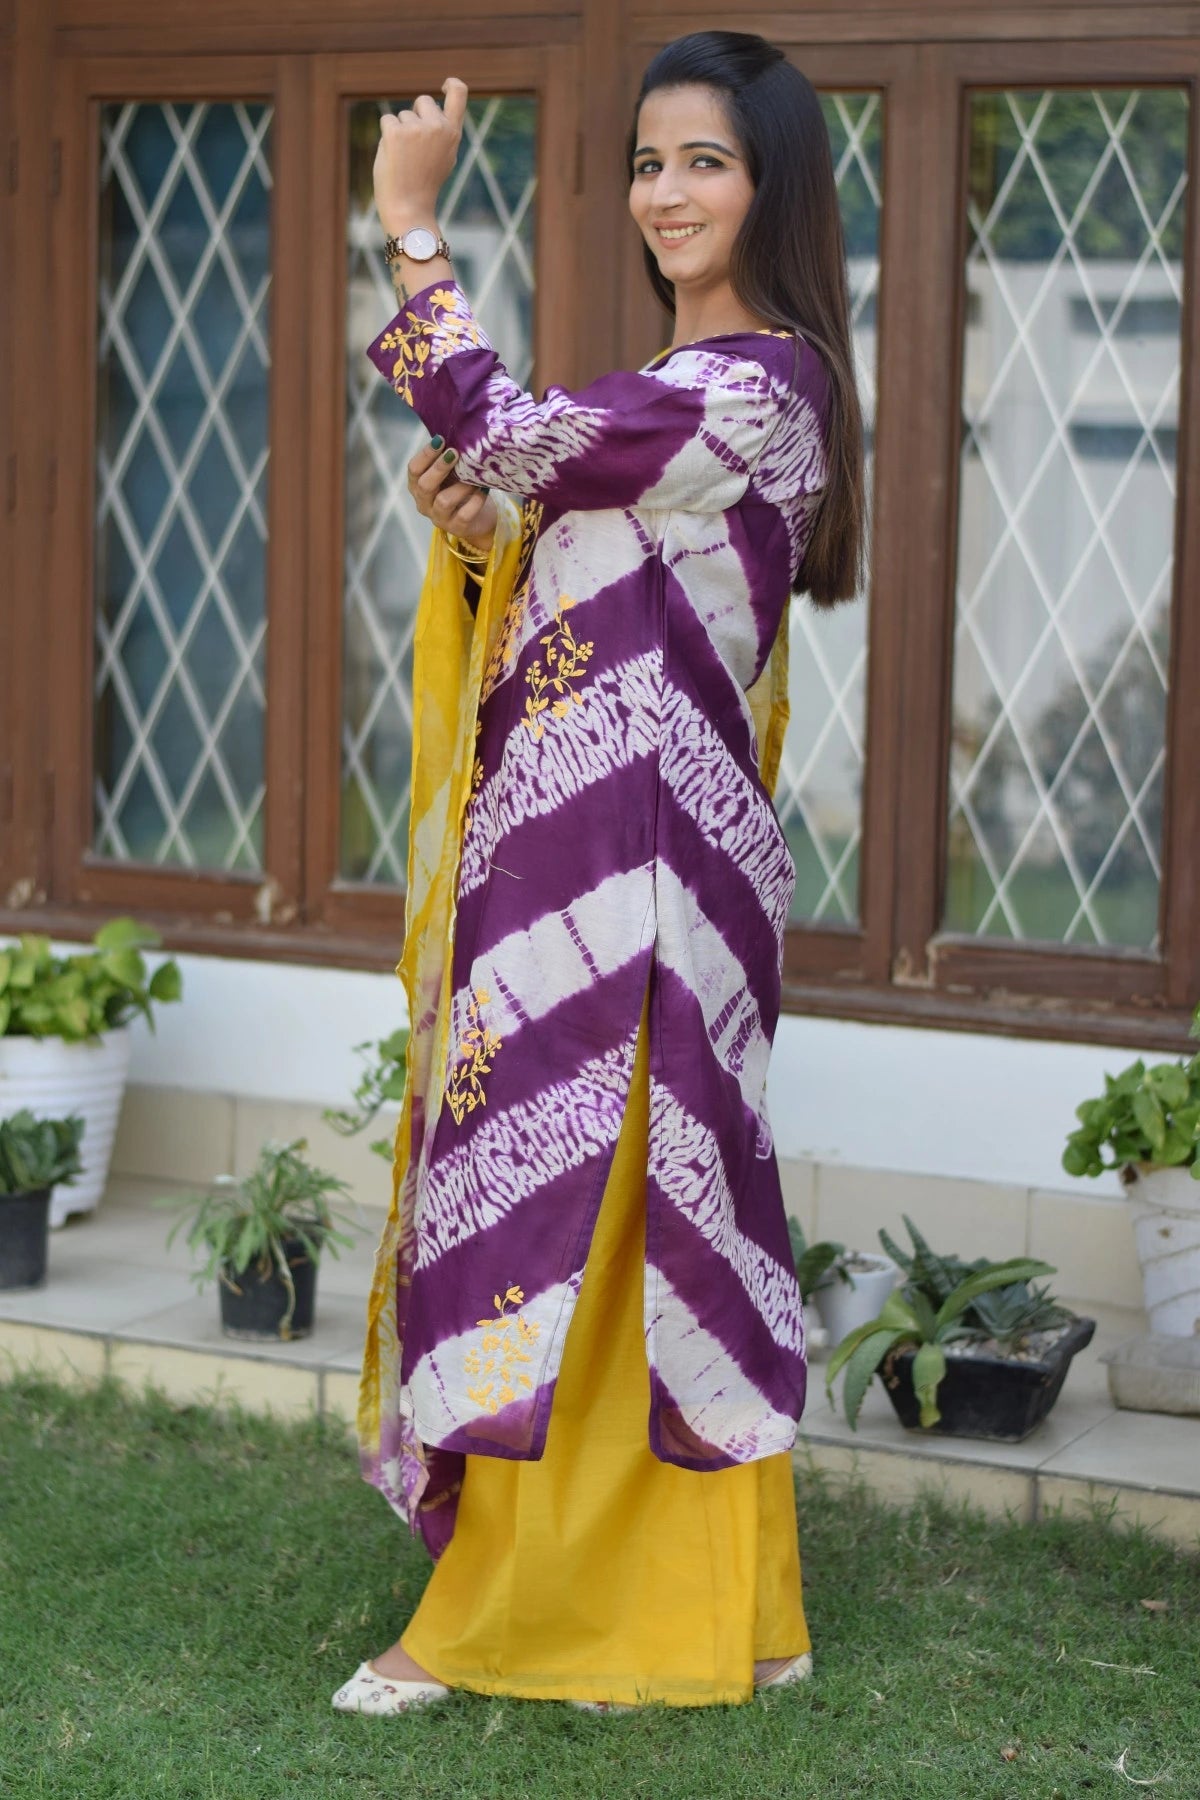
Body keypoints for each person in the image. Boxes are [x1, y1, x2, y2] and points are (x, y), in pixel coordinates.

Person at [334, 29, 865, 1715]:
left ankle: (485, 1623)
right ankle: (737, 1608)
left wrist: (412, 232)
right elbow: (567, 545)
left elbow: (499, 418)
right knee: (605, 1213)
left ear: (771, 183)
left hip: (645, 892)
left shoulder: (760, 387)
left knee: (595, 1217)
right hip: (575, 868)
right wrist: (490, 539)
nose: (666, 191)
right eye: (648, 161)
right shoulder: (669, 399)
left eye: (703, 158)